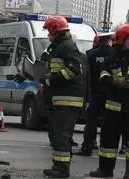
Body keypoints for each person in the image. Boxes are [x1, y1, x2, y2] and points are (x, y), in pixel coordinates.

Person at [40, 16, 85, 178]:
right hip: (60, 100)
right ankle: (59, 166)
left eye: (49, 32)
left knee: (61, 135)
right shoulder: (59, 47)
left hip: (68, 100)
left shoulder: (67, 47)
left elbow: (73, 71)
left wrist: (50, 79)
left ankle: (62, 169)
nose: (47, 36)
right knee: (58, 135)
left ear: (55, 30)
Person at [89, 24, 129, 178]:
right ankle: (105, 170)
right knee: (107, 141)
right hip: (113, 108)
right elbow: (103, 76)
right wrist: (115, 82)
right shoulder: (112, 57)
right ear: (121, 39)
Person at [74, 32, 114, 156]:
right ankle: (108, 147)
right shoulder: (114, 54)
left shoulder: (91, 54)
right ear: (109, 40)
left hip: (95, 93)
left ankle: (88, 146)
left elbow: (86, 75)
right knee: (110, 122)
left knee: (91, 121)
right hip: (111, 94)